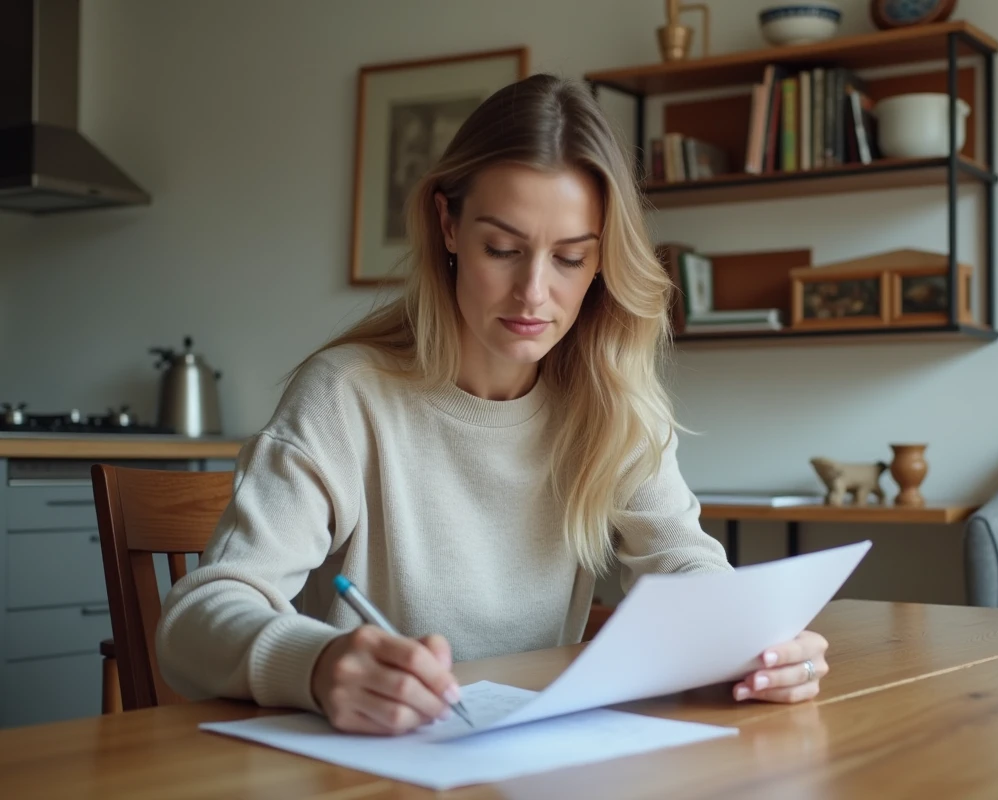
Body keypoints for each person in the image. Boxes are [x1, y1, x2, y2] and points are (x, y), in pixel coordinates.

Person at [156, 73, 830, 735]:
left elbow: (683, 563)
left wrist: (754, 642)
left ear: (602, 263)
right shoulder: (348, 396)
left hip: (528, 758)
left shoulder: (611, 404)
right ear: (448, 224)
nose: (533, 292)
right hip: (360, 769)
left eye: (570, 258)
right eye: (503, 249)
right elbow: (196, 619)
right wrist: (319, 663)